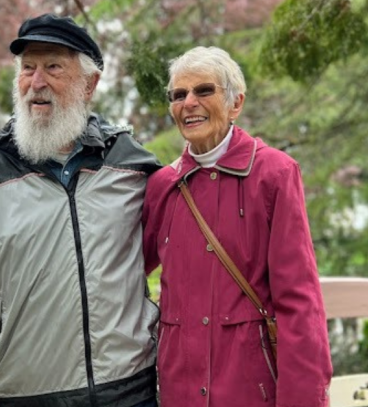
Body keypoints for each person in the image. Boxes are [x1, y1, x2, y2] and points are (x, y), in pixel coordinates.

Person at [0, 13, 161, 407]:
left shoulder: (131, 163)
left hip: (131, 389)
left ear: (90, 84)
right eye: (27, 68)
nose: (36, 83)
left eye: (53, 67)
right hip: (25, 396)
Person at [142, 46, 333, 407]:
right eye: (178, 95)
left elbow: (299, 299)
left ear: (236, 103)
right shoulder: (162, 186)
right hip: (178, 391)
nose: (189, 103)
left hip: (251, 389)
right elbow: (122, 272)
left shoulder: (274, 174)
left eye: (204, 90)